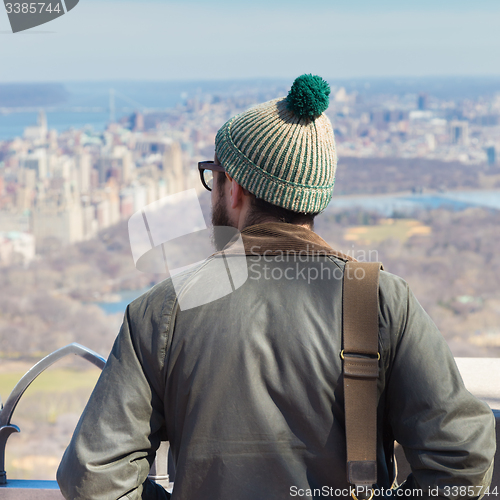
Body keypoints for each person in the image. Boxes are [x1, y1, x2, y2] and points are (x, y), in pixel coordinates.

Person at [57, 75, 495, 500]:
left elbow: (94, 476)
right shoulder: (380, 300)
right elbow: (461, 457)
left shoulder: (161, 311)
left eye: (215, 176)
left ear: (237, 190)